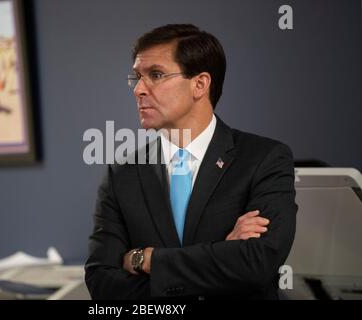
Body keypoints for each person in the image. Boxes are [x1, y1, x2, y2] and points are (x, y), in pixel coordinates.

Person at [85, 24, 297, 300]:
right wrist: (222, 253)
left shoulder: (265, 159)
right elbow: (102, 283)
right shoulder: (121, 174)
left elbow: (257, 263)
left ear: (200, 84)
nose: (138, 89)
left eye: (156, 75)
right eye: (136, 77)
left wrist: (144, 259)